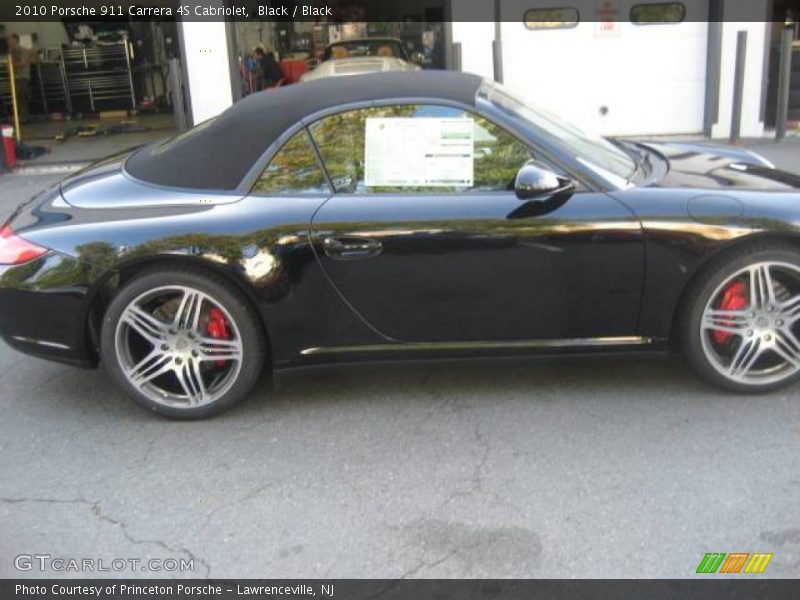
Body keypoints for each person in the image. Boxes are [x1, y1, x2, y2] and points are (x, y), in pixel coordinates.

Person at [7, 33, 33, 122]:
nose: (8, 42)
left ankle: (24, 117)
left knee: (21, 95)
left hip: (23, 76)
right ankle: (21, 117)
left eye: (10, 40)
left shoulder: (24, 50)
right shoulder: (12, 52)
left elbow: (22, 63)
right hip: (16, 76)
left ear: (15, 40)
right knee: (18, 97)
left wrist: (11, 65)